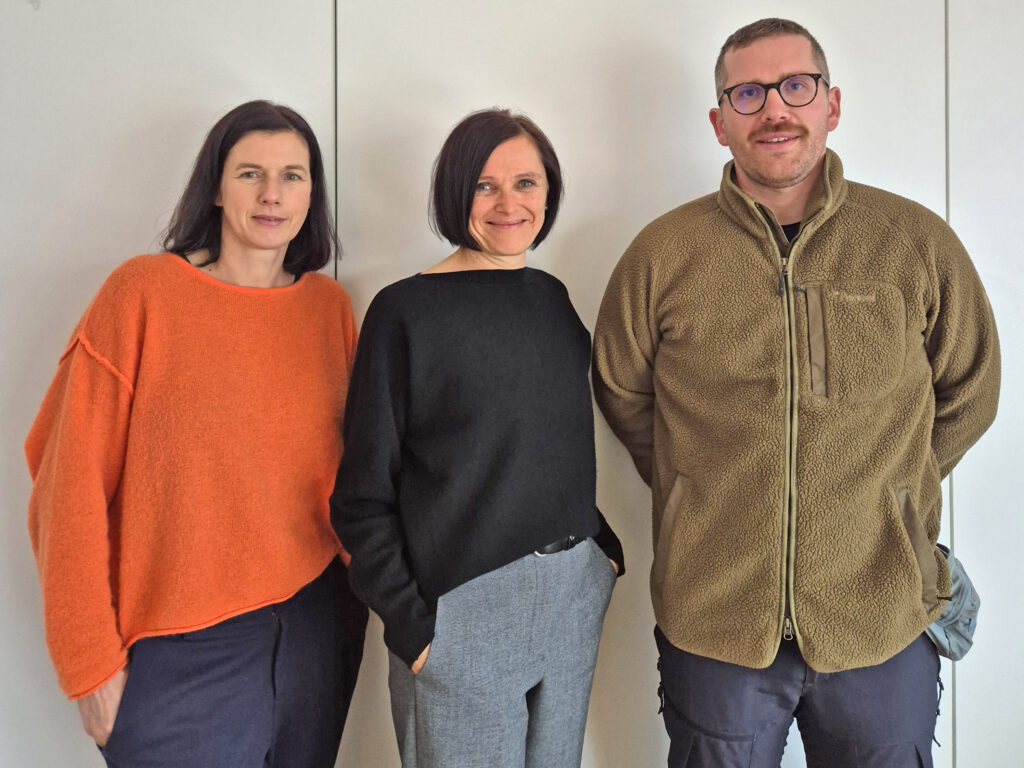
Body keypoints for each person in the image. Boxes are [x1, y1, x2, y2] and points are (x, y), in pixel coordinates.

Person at [592, 18, 1000, 768]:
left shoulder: (914, 242)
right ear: (719, 121)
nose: (774, 109)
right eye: (747, 94)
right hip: (715, 622)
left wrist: (888, 487)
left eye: (796, 87)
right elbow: (622, 390)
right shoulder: (662, 255)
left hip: (880, 616)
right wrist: (700, 483)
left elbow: (970, 388)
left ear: (831, 105)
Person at [25, 100, 368, 768]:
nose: (272, 195)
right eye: (250, 174)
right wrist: (88, 668)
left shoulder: (328, 309)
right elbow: (67, 489)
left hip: (317, 629)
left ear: (312, 195)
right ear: (215, 187)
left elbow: (355, 474)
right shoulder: (143, 294)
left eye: (293, 176)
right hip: (181, 651)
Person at [332, 108, 623, 768]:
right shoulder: (405, 312)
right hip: (463, 611)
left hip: (571, 598)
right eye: (485, 186)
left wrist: (601, 553)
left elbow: (549, 444)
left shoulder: (551, 298)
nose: (508, 204)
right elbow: (360, 497)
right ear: (454, 192)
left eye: (526, 183)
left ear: (548, 191)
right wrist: (416, 631)